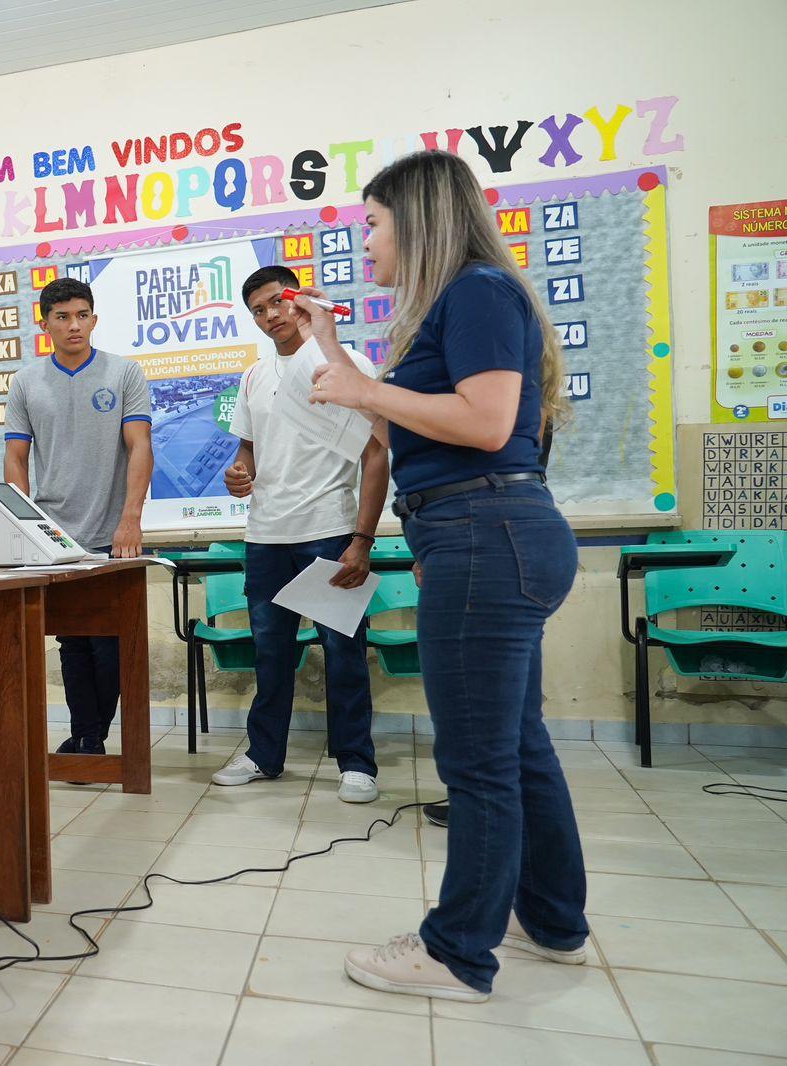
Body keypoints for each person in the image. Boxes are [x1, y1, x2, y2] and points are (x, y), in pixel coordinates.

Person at [305, 150, 587, 1002]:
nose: (367, 244)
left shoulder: (476, 292)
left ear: (419, 221)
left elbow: (487, 420)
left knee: (476, 762)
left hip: (486, 532)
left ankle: (458, 951)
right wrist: (340, 360)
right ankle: (553, 919)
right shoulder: (458, 305)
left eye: (374, 225)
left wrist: (362, 387)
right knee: (517, 744)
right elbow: (415, 434)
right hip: (478, 535)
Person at [212, 265, 388, 802]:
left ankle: (357, 763)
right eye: (258, 310)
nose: (270, 317)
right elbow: (247, 451)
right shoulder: (254, 376)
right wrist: (239, 475)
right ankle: (264, 755)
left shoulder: (346, 364)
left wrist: (362, 539)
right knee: (271, 653)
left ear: (298, 299)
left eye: (275, 303)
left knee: (342, 652)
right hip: (265, 535)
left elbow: (377, 454)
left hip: (330, 530)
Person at [3, 277, 153, 761]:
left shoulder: (123, 373)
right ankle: (87, 735)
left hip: (112, 533)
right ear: (43, 322)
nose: (74, 325)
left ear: (93, 318)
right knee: (71, 642)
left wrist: (130, 519)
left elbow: (139, 447)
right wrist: (22, 525)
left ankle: (96, 731)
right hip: (55, 536)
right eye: (62, 317)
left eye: (82, 315)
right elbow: (16, 459)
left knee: (107, 643)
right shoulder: (27, 381)